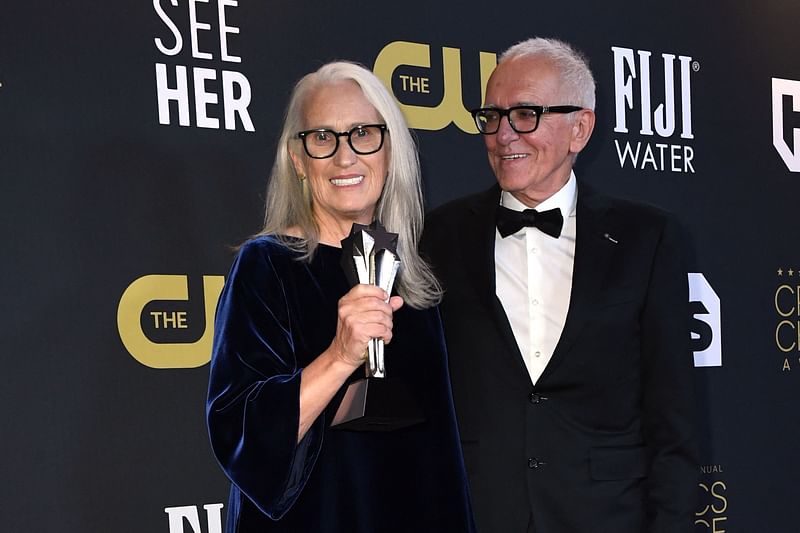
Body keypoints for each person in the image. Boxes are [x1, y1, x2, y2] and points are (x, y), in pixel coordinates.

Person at [421, 38, 698, 533]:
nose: (504, 135)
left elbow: (673, 419)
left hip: (606, 517)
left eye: (525, 114)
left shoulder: (648, 238)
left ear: (580, 128)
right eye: (492, 116)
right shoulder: (438, 235)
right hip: (475, 514)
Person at [206, 61, 475, 532]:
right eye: (323, 138)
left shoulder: (412, 275)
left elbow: (441, 456)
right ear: (298, 159)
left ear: (389, 149)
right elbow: (241, 434)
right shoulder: (266, 266)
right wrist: (339, 355)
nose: (345, 157)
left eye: (363, 133)